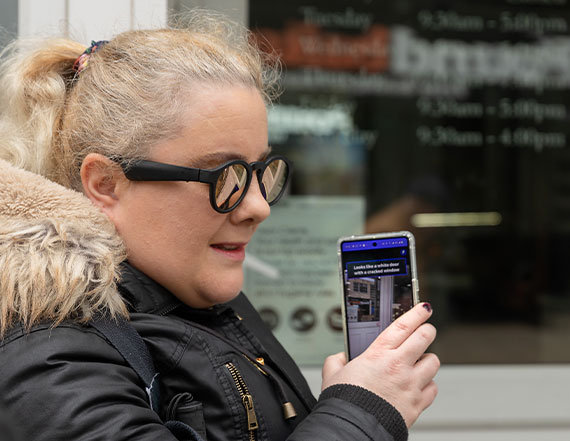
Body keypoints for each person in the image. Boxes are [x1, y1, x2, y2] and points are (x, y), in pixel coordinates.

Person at [0, 12, 439, 441]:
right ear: (106, 183)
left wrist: (347, 401)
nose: (257, 207)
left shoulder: (192, 289)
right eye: (223, 176)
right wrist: (362, 412)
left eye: (260, 172)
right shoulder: (46, 352)